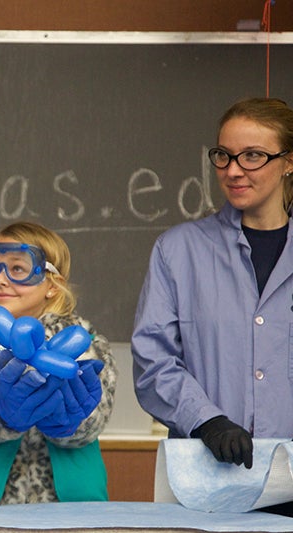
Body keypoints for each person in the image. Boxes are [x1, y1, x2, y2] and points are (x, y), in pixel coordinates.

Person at [132, 98, 293, 474]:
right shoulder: (178, 251)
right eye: (224, 155)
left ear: (288, 162)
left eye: (252, 156)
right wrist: (206, 421)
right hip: (208, 476)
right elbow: (153, 361)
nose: (233, 170)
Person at [0, 221, 117, 505]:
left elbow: (93, 422)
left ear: (52, 285)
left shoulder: (86, 343)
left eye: (17, 269)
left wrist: (70, 421)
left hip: (73, 514)